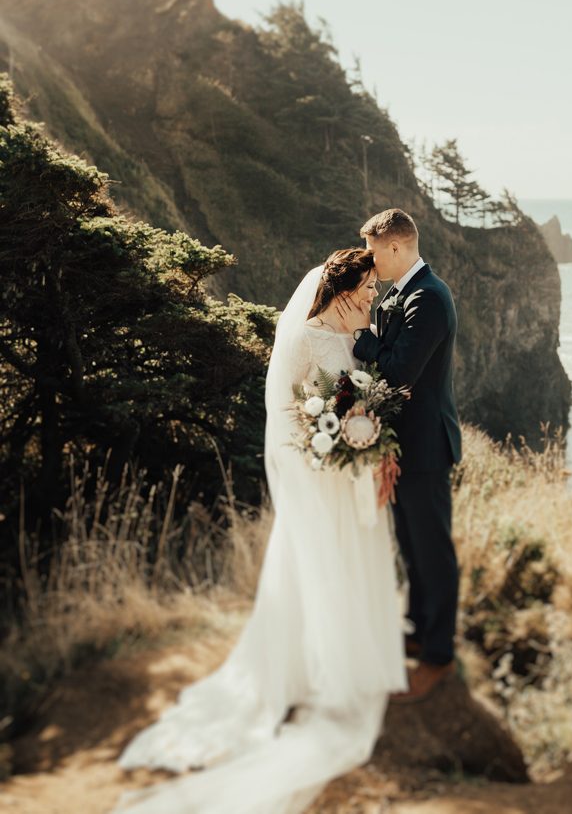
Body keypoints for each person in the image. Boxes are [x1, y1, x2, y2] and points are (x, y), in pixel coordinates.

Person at [113, 248, 407, 814]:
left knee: (338, 565)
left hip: (351, 469)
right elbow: (288, 414)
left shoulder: (355, 336)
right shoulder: (307, 337)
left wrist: (370, 440)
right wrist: (337, 445)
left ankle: (343, 655)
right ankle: (325, 671)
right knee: (323, 565)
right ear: (343, 292)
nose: (374, 298)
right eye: (368, 289)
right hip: (323, 477)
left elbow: (361, 398)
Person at [337, 208, 461, 703]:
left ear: (394, 247)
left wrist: (360, 337)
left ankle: (439, 655)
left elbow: (399, 371)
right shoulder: (399, 293)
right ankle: (417, 628)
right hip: (402, 444)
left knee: (433, 551)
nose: (369, 262)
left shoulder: (427, 298)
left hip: (427, 444)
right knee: (411, 544)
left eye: (372, 251)